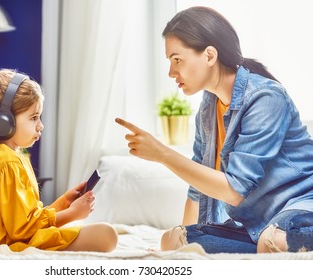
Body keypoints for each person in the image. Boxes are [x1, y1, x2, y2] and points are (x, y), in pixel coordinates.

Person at [116, 6, 313, 253]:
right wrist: (184, 249)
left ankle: (276, 244)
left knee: (272, 241)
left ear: (209, 55)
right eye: (169, 61)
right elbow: (198, 189)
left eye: (177, 60)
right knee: (175, 240)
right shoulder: (208, 108)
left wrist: (163, 154)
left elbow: (233, 191)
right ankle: (270, 247)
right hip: (258, 225)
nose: (171, 72)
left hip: (301, 207)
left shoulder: (265, 97)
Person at [0, 68, 117, 252]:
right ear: (3, 121)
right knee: (107, 234)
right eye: (33, 118)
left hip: (9, 239)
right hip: (9, 245)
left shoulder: (0, 156)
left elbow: (26, 218)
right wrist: (71, 214)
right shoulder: (7, 161)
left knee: (101, 233)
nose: (41, 126)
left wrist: (63, 203)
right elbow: (22, 230)